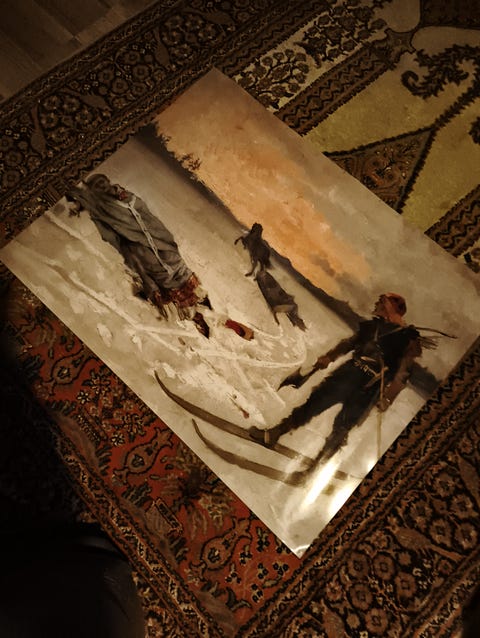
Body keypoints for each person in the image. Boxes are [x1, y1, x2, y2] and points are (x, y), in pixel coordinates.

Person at [250, 293, 425, 459]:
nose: (376, 304)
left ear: (391, 307)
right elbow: (349, 343)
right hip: (347, 375)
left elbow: (403, 374)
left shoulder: (407, 340)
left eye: (381, 301)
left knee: (342, 428)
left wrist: (388, 397)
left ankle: (317, 467)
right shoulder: (373, 327)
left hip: (369, 389)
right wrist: (329, 357)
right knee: (312, 405)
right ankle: (273, 434)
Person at [66, 173, 210, 333]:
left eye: (102, 182)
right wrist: (128, 248)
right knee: (167, 281)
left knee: (181, 271)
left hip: (162, 242)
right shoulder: (102, 209)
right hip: (144, 251)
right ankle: (194, 316)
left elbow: (147, 214)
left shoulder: (127, 195)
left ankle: (201, 304)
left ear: (108, 181)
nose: (102, 186)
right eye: (97, 186)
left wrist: (163, 236)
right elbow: (109, 236)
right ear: (95, 191)